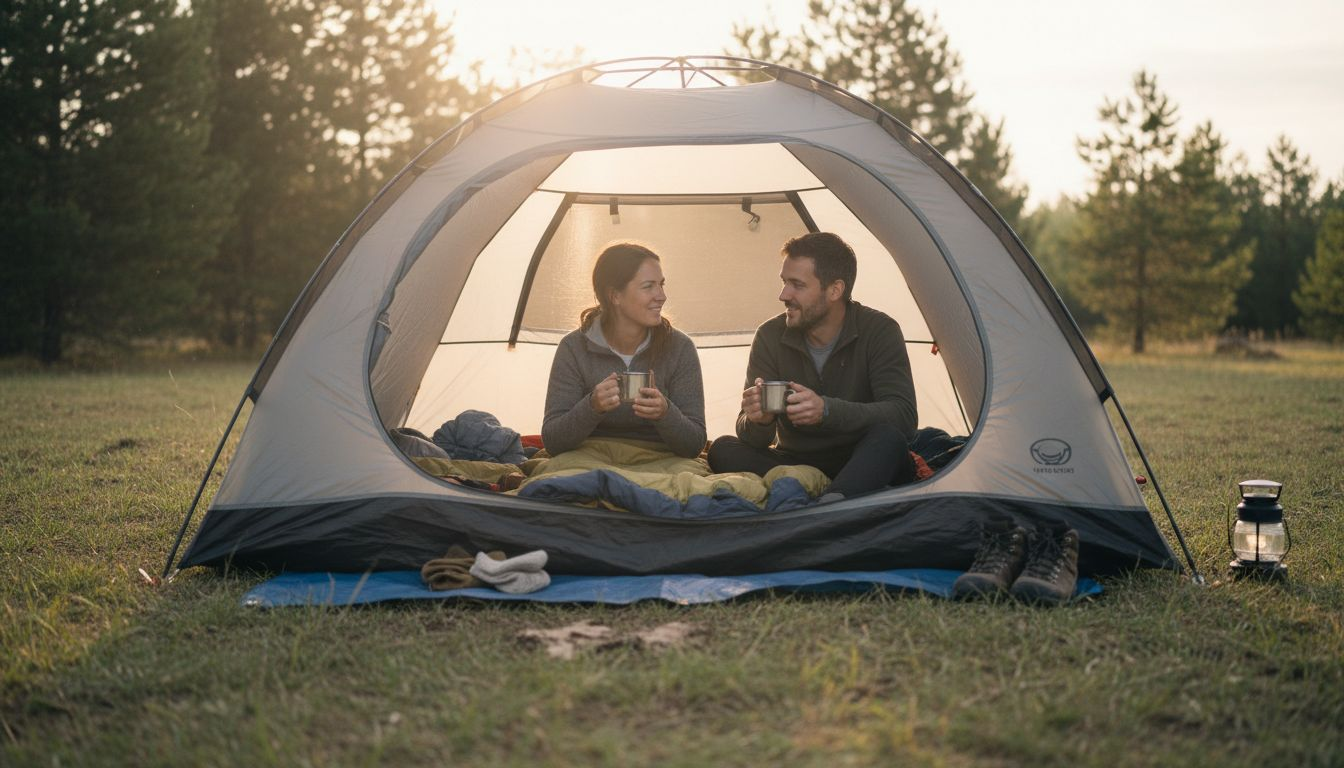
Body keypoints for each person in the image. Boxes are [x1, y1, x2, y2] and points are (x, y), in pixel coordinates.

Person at [707, 232, 918, 498]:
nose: (783, 294)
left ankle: (827, 504)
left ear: (834, 290)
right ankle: (833, 501)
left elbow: (904, 417)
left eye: (797, 284)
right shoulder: (770, 335)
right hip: (798, 462)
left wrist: (826, 411)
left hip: (861, 457)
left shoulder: (879, 330)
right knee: (723, 448)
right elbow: (754, 439)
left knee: (889, 440)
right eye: (784, 282)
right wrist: (757, 420)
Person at [542, 242, 706, 458]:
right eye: (648, 286)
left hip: (659, 461)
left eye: (661, 284)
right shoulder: (574, 348)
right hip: (590, 458)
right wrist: (592, 406)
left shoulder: (679, 348)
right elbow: (553, 442)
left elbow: (694, 444)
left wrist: (665, 413)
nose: (661, 296)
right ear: (615, 296)